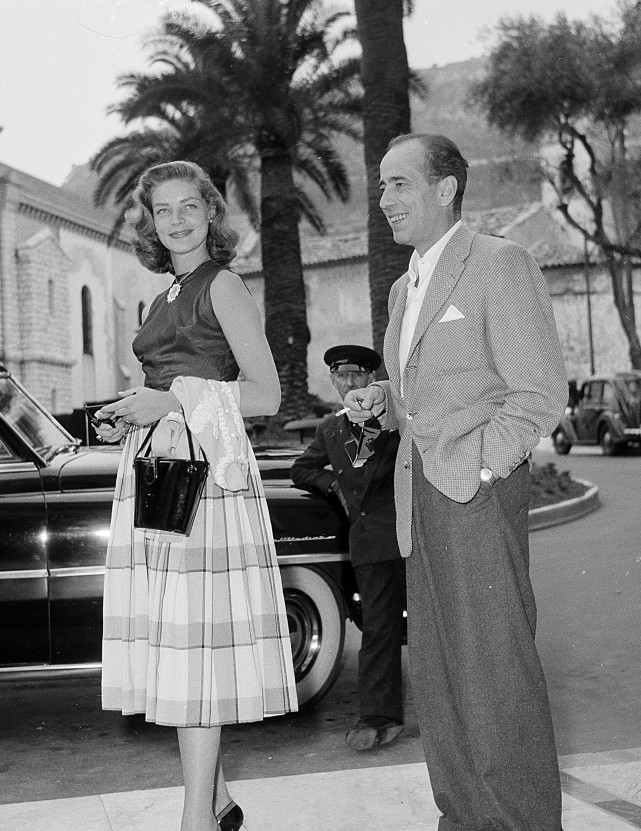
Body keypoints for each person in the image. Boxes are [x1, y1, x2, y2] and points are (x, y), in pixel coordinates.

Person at [344, 134, 568, 831]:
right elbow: (427, 390)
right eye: (381, 187)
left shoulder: (500, 264)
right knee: (441, 682)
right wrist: (383, 400)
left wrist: (476, 469)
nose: (386, 201)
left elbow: (538, 393)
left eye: (400, 184)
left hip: (473, 496)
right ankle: (464, 819)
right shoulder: (402, 288)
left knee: (496, 678)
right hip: (419, 503)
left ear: (446, 189)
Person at [92, 160, 297, 831]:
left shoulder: (223, 285)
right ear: (148, 220)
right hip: (160, 474)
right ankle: (216, 799)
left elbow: (267, 394)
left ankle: (195, 821)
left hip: (205, 484)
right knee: (177, 645)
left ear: (211, 212)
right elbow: (169, 391)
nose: (176, 220)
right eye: (162, 209)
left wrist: (170, 398)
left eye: (189, 206)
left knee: (192, 650)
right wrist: (132, 409)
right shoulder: (165, 294)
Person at [290, 345, 406, 751]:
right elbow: (301, 468)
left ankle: (456, 713)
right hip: (370, 543)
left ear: (373, 380)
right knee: (378, 629)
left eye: (357, 376)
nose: (349, 384)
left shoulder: (397, 420)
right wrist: (332, 484)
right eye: (341, 377)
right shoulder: (331, 429)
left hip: (411, 537)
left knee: (431, 625)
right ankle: (379, 714)